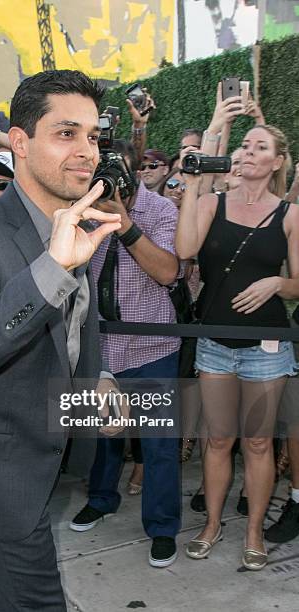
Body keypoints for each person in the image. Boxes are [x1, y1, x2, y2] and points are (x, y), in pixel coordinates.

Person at [0, 69, 123, 611]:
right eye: (66, 133)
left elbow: (74, 329)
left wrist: (96, 378)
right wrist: (53, 266)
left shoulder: (73, 221)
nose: (87, 151)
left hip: (42, 461)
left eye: (93, 136)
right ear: (19, 142)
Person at [176, 124, 299, 571]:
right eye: (244, 144)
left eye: (260, 147)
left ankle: (252, 533)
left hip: (267, 346)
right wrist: (192, 186)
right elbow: (185, 249)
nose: (248, 151)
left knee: (260, 443)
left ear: (277, 161)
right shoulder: (212, 202)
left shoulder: (290, 215)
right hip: (215, 343)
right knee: (218, 439)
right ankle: (211, 525)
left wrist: (278, 282)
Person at [70, 139, 182, 569]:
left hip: (153, 347)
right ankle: (101, 500)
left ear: (137, 172)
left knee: (158, 445)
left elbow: (168, 271)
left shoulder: (161, 211)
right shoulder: (84, 207)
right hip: (101, 346)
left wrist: (126, 223)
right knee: (103, 437)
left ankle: (162, 526)